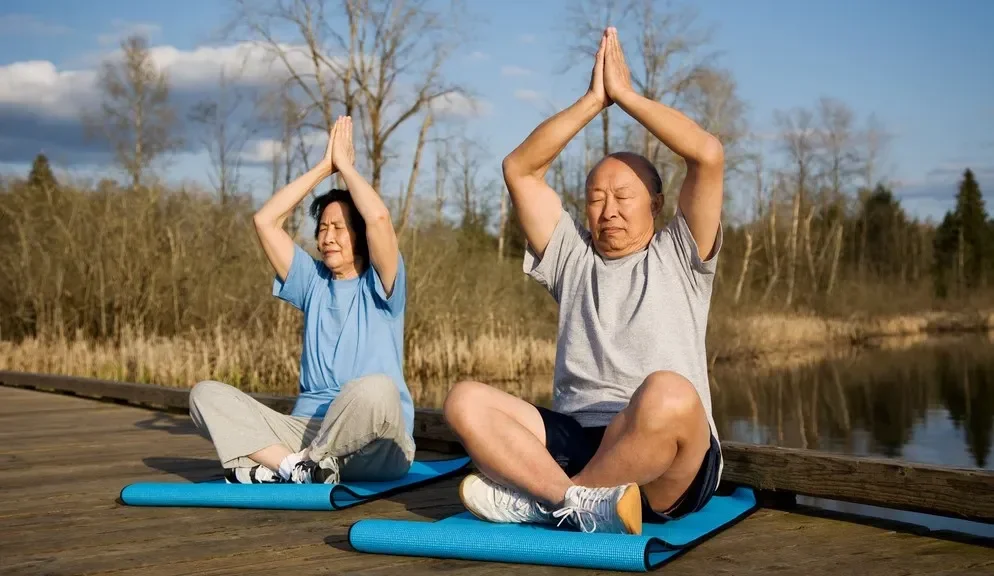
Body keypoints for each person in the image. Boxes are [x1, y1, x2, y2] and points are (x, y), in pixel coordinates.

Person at [443, 28, 725, 534]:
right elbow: (520, 170)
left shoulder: (681, 254)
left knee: (670, 394)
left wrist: (628, 98)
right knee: (463, 399)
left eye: (623, 196)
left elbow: (707, 154)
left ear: (656, 207)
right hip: (575, 439)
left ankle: (551, 504)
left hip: (660, 453)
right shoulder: (573, 255)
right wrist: (593, 101)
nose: (608, 210)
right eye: (596, 198)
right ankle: (572, 501)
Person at [189, 115, 416, 485]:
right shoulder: (312, 281)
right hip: (306, 430)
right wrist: (323, 168)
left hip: (377, 443)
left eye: (339, 228)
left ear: (360, 236)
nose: (327, 237)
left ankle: (292, 464)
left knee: (376, 389)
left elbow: (378, 217)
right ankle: (297, 467)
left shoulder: (384, 284)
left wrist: (345, 168)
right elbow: (265, 221)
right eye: (322, 228)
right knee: (205, 396)